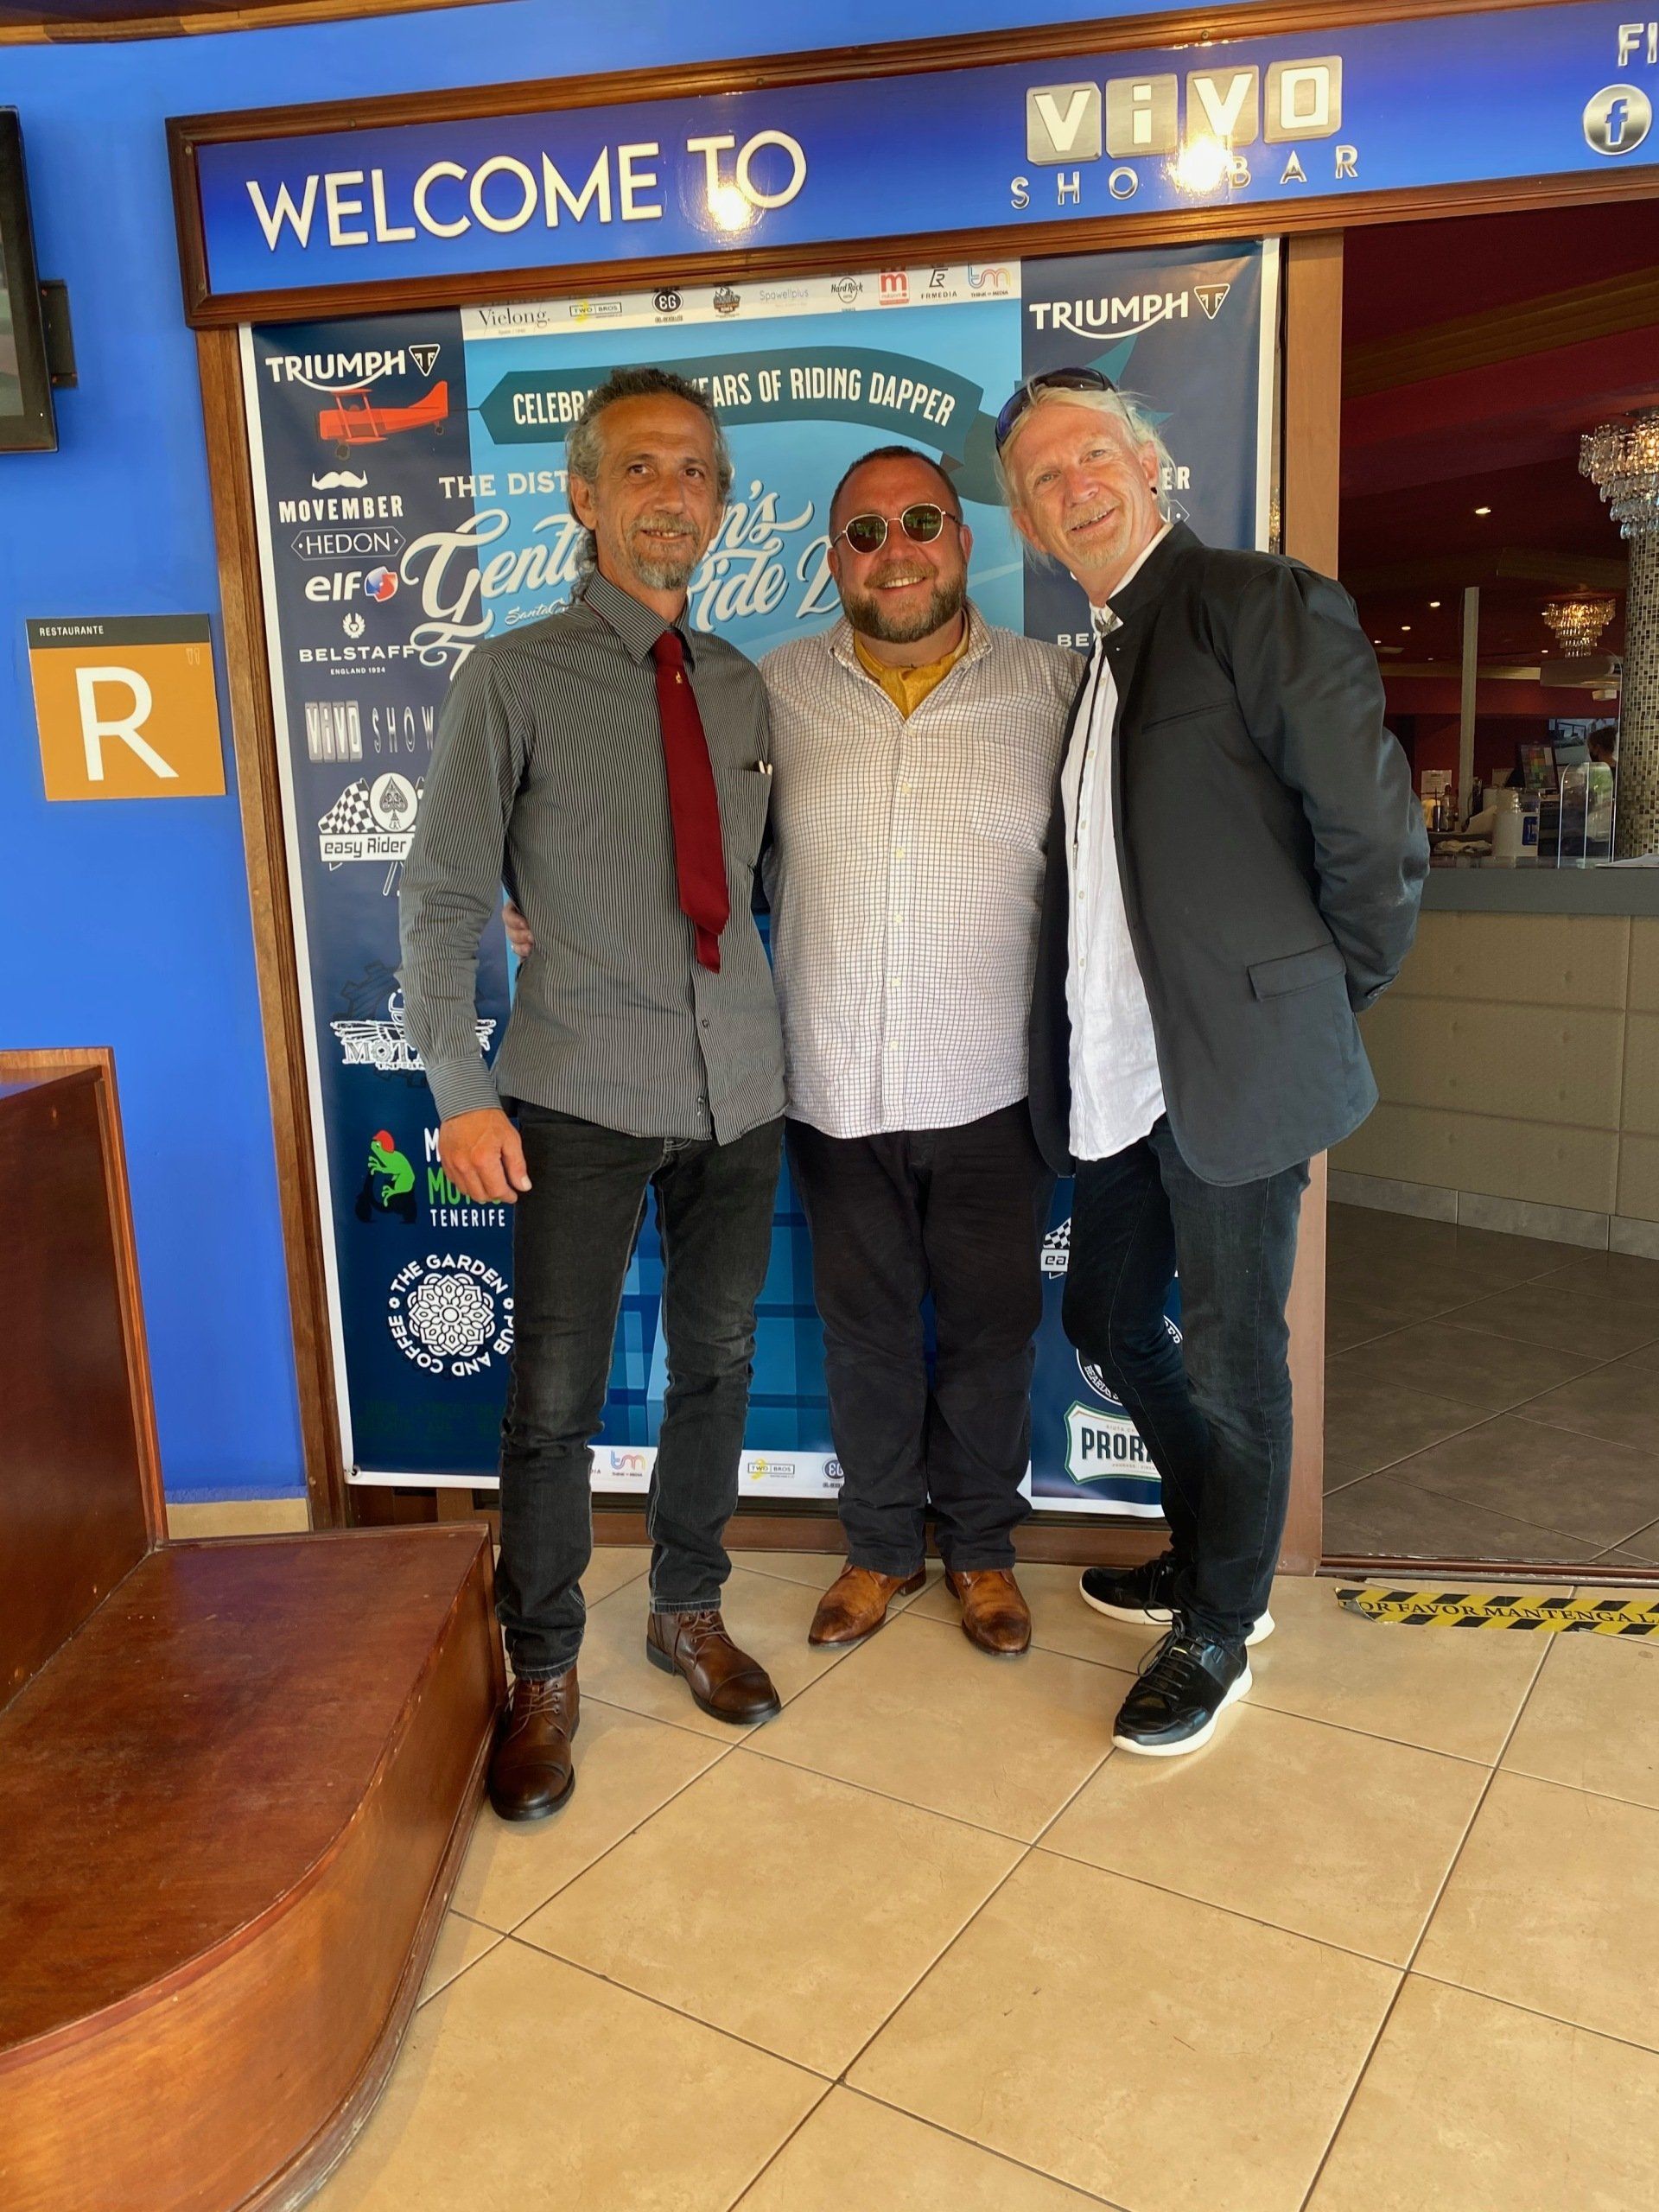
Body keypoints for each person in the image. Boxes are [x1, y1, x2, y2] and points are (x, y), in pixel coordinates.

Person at [997, 367, 1427, 1756]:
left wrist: (1314, 1002)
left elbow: (1375, 841)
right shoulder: (1100, 660)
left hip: (1234, 1071)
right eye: (1044, 477)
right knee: (1106, 1323)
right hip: (1122, 1075)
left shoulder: (1256, 602)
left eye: (1093, 455)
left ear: (1150, 464)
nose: (1075, 486)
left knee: (1240, 1362)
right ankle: (1207, 1549)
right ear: (1029, 520)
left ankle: (1222, 1625)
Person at [400, 365, 787, 1826]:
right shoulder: (513, 676)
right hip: (570, 1090)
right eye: (639, 469)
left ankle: (687, 1606)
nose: (671, 494)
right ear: (582, 497)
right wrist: (459, 1087)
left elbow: (756, 893)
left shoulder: (746, 685)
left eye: (694, 471)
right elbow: (441, 898)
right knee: (552, 1401)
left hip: (741, 1091)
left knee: (719, 1360)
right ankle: (544, 1668)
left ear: (719, 502)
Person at [762, 447, 1077, 1656]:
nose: (895, 549)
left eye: (921, 521)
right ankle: (881, 1548)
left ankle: (984, 1553)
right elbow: (703, 849)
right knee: (866, 1335)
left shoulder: (1055, 690)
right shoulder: (777, 689)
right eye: (865, 532)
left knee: (994, 1335)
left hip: (996, 1088)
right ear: (836, 558)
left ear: (961, 539)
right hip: (832, 1084)